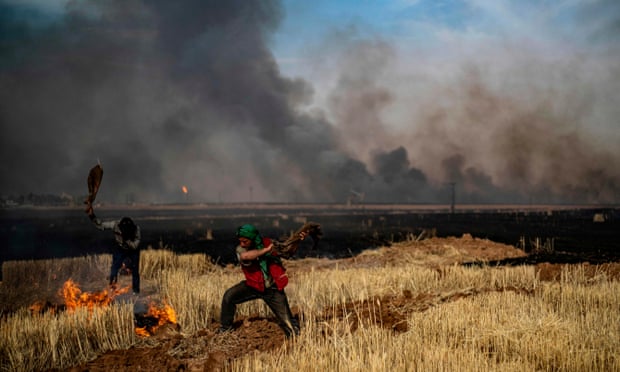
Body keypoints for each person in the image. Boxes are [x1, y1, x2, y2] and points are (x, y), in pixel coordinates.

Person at [219, 224, 303, 338]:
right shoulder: (241, 249)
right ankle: (225, 329)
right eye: (240, 241)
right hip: (253, 286)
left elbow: (287, 253)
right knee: (229, 297)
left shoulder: (268, 243)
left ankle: (295, 339)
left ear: (253, 239)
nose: (242, 244)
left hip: (272, 289)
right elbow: (247, 256)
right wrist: (267, 250)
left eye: (245, 241)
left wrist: (297, 241)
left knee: (288, 322)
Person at [86, 204, 141, 294]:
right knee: (114, 268)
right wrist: (92, 216)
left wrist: (127, 240)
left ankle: (136, 291)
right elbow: (101, 225)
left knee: (135, 271)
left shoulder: (136, 229)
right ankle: (112, 287)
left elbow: (135, 245)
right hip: (120, 249)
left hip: (133, 250)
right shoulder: (115, 225)